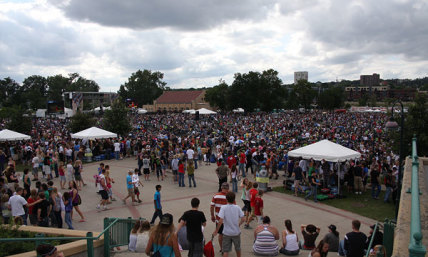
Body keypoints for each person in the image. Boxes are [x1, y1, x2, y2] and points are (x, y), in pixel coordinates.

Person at [213, 191, 245, 257]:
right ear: (234, 199)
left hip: (226, 233)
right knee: (238, 249)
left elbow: (220, 220)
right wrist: (239, 224)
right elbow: (243, 219)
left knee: (226, 251)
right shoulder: (237, 207)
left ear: (226, 199)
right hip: (236, 232)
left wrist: (216, 230)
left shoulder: (223, 208)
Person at [210, 182, 229, 252]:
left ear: (221, 188)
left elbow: (212, 206)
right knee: (227, 235)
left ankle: (222, 249)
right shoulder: (230, 196)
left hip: (218, 219)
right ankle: (226, 248)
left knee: (220, 235)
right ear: (228, 188)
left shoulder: (216, 196)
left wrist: (212, 215)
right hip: (227, 220)